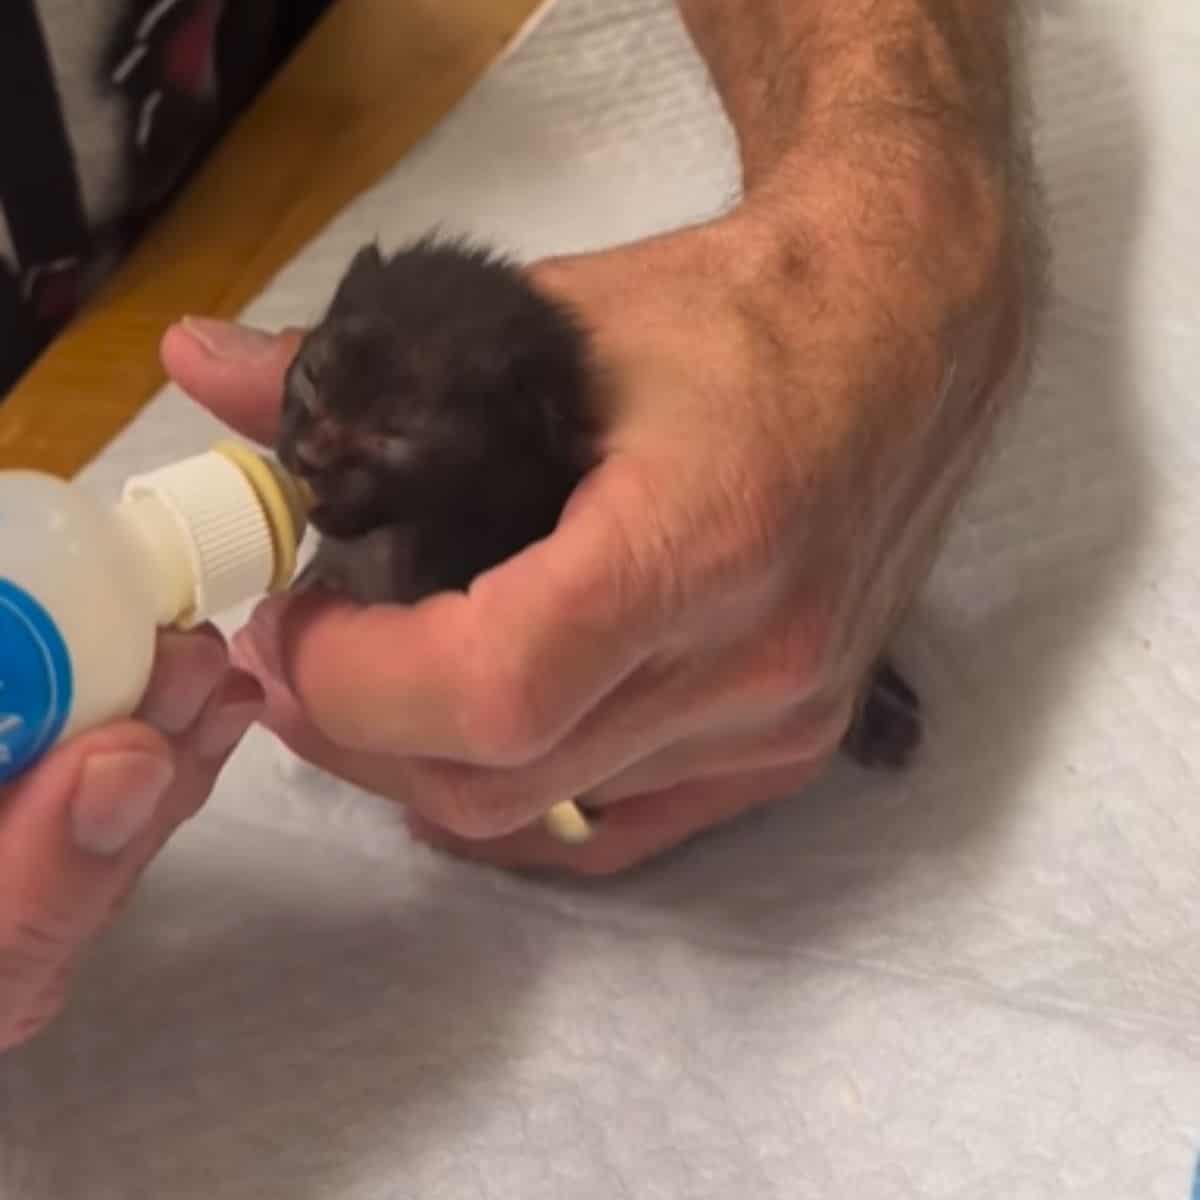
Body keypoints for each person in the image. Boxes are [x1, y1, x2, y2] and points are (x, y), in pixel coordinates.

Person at [0, 0, 1039, 1050]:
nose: (310, 452)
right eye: (321, 397)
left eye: (386, 431)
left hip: (299, 108)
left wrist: (901, 202)